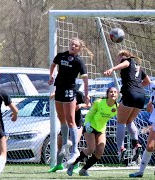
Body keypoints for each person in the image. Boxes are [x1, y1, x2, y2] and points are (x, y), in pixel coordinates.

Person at [48, 37, 91, 166]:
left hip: (69, 90)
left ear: (79, 48)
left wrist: (87, 95)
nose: (73, 46)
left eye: (76, 45)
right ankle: (66, 144)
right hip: (59, 89)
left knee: (71, 120)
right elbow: (53, 65)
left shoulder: (79, 62)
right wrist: (51, 76)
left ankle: (74, 151)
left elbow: (85, 79)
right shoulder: (61, 56)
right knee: (61, 119)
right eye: (72, 44)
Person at [104, 50, 151, 163]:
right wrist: (138, 87)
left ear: (123, 57)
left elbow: (125, 63)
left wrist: (113, 69)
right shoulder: (138, 67)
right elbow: (148, 81)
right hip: (141, 95)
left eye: (118, 57)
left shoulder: (128, 61)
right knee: (129, 121)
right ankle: (136, 144)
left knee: (120, 122)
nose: (117, 60)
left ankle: (120, 148)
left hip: (130, 93)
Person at [66, 87, 118, 176]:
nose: (113, 93)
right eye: (111, 92)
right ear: (107, 94)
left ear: (117, 95)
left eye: (115, 92)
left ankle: (84, 170)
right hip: (90, 126)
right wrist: (87, 124)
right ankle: (73, 165)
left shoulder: (117, 107)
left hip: (101, 129)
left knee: (100, 152)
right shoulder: (99, 103)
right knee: (91, 149)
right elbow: (89, 115)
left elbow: (123, 119)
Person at [47, 90, 91, 173]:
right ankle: (58, 165)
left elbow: (88, 104)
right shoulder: (61, 93)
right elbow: (53, 97)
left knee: (72, 144)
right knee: (60, 145)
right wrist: (53, 94)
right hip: (65, 124)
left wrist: (80, 105)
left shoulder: (78, 94)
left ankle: (75, 166)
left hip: (76, 123)